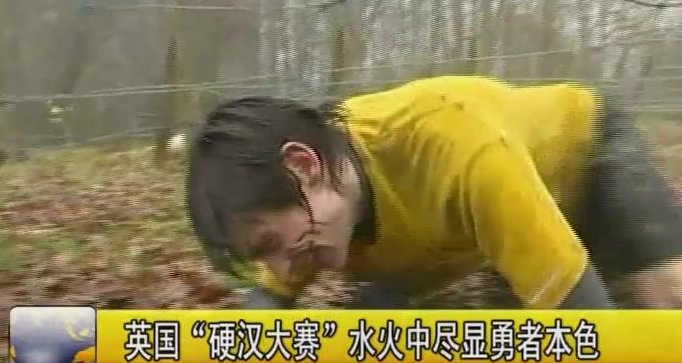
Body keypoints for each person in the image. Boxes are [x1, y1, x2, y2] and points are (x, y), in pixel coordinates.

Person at [186, 75, 682, 310]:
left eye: (271, 245)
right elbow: (262, 313)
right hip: (491, 228)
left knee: (663, 307)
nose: (280, 272)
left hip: (589, 152)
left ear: (303, 166)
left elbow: (594, 334)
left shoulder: (458, 150)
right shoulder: (311, 208)